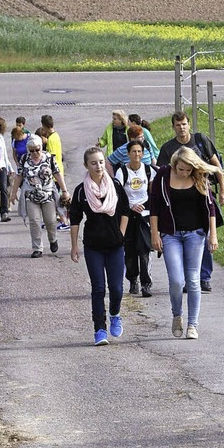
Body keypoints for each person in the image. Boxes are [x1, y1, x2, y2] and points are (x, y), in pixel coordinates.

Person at [150, 146, 219, 340]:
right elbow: (154, 205)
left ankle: (192, 325)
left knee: (193, 280)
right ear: (174, 164)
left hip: (195, 234)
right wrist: (154, 234)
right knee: (176, 280)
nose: (185, 173)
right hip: (170, 235)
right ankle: (177, 314)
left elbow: (210, 209)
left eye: (188, 170)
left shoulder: (199, 177)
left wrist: (212, 235)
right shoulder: (162, 176)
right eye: (181, 169)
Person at [157, 111, 224, 293]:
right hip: (177, 198)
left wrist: (223, 191)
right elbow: (161, 173)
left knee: (201, 233)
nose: (181, 128)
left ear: (189, 124)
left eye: (184, 124)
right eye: (178, 125)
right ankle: (189, 279)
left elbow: (216, 165)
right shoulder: (167, 148)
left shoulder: (200, 140)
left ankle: (203, 277)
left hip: (202, 193)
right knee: (186, 238)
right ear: (173, 127)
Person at [70, 147, 130, 346]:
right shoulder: (81, 191)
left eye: (101, 162)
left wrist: (121, 234)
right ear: (86, 165)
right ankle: (99, 330)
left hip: (115, 246)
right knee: (98, 289)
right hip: (93, 246)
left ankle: (115, 314)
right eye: (94, 163)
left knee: (117, 288)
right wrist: (74, 246)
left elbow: (125, 211)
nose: (98, 166)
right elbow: (75, 219)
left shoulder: (115, 185)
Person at [9, 135, 70, 259]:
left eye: (37, 149)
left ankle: (53, 239)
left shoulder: (49, 157)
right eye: (31, 150)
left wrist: (65, 191)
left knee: (50, 221)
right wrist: (14, 193)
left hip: (47, 194)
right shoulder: (25, 159)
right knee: (34, 222)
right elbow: (19, 176)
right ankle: (37, 248)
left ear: (41, 147)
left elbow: (57, 174)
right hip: (31, 195)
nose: (35, 153)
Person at [115, 139, 155, 297]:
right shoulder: (122, 172)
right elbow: (118, 194)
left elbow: (153, 192)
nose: (137, 154)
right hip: (128, 215)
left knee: (145, 249)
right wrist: (131, 206)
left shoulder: (149, 170)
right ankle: (133, 279)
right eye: (133, 151)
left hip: (144, 215)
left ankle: (146, 283)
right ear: (128, 154)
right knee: (130, 250)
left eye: (139, 151)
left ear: (143, 153)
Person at [40, 114, 70, 231]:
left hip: (54, 175)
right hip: (59, 171)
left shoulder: (51, 140)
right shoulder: (56, 136)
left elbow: (51, 158)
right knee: (52, 199)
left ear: (44, 126)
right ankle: (51, 220)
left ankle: (64, 221)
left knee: (55, 199)